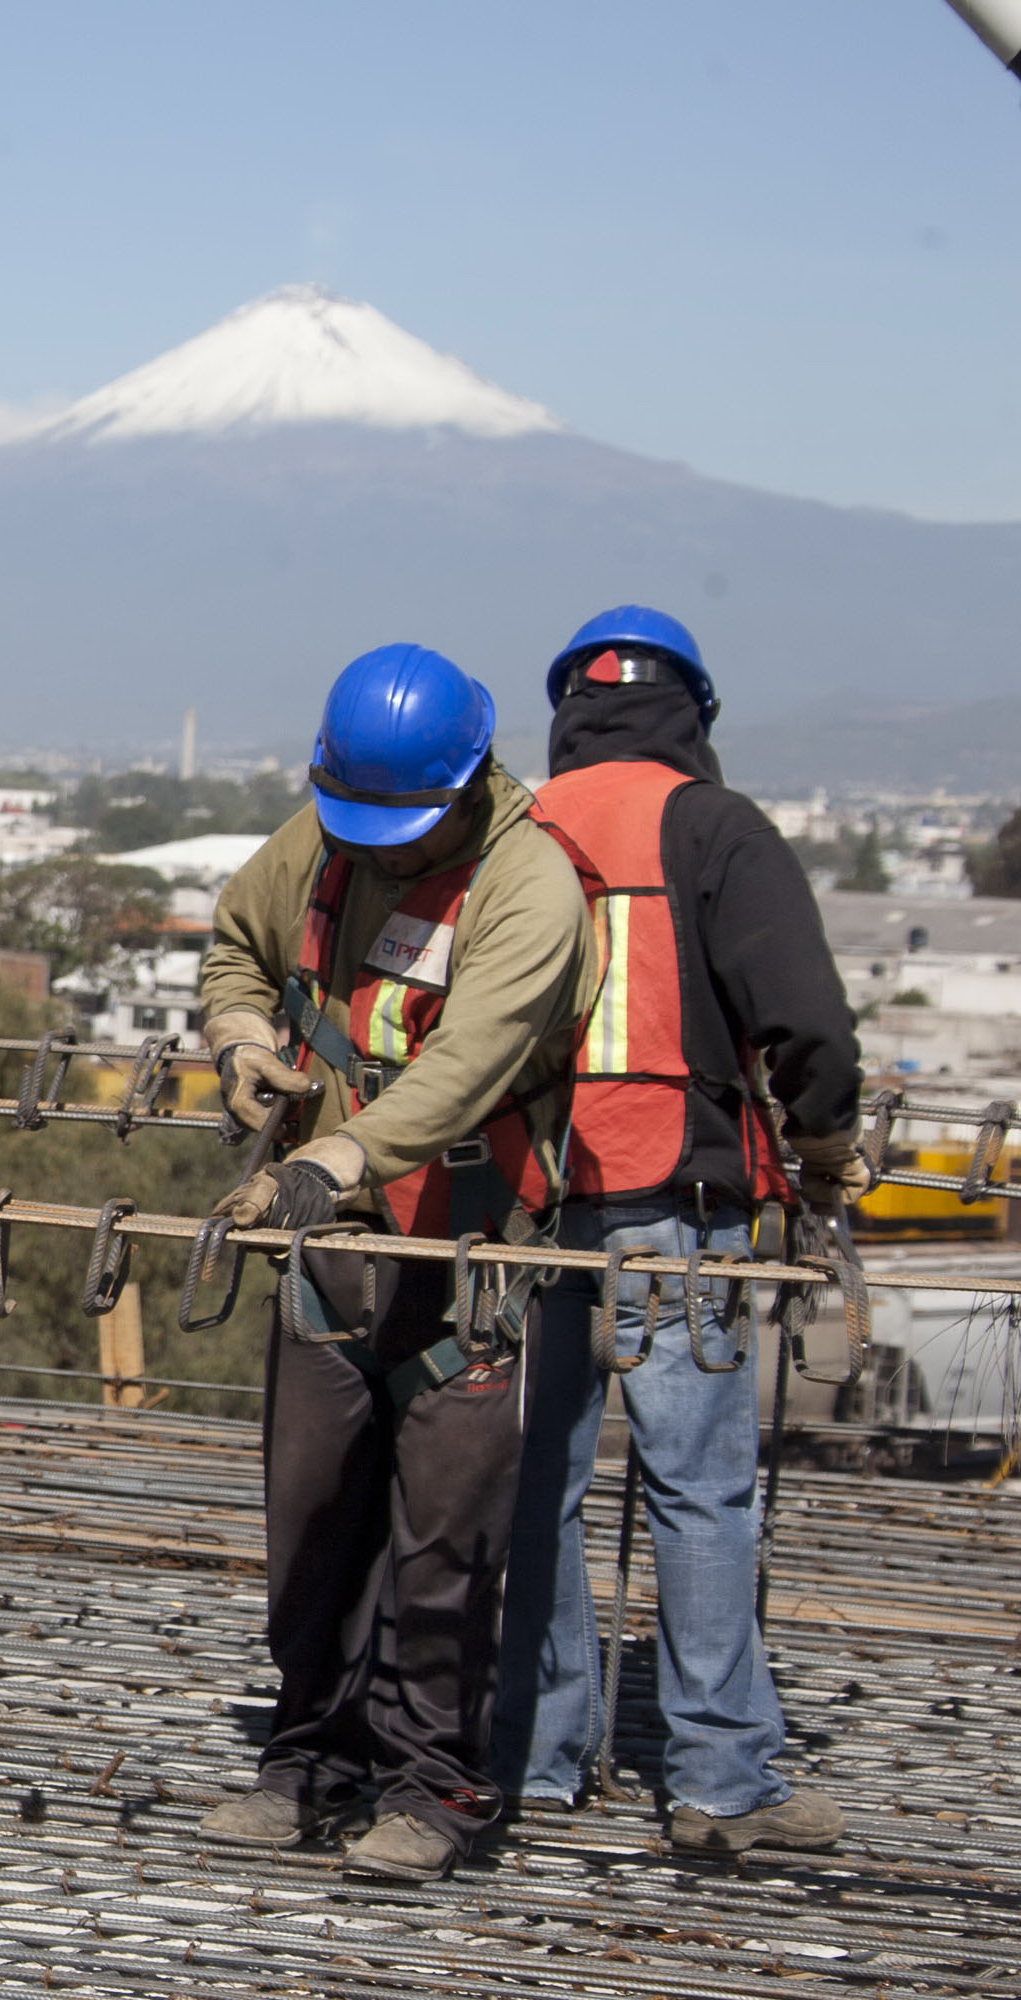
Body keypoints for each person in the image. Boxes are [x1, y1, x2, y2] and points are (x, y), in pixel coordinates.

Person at [194, 644, 598, 1883]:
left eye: (405, 830)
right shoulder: (325, 842)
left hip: (466, 1261)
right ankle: (309, 1755)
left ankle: (435, 1784)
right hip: (331, 1261)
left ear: (469, 785)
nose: (380, 851)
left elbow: (470, 1059)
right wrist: (243, 1036)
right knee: (312, 1522)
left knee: (445, 1547)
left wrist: (337, 1158)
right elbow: (237, 945)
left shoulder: (530, 887)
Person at [493, 607, 863, 1856]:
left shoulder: (516, 824)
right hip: (676, 1205)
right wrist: (819, 1147)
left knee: (535, 1481)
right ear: (694, 712)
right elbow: (808, 1020)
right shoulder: (715, 826)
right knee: (700, 1490)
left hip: (529, 1199)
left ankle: (537, 1757)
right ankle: (717, 1776)